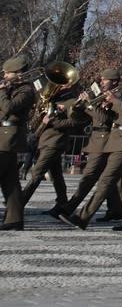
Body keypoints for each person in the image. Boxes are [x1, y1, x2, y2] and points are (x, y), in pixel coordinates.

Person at [64, 62, 122, 231]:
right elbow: (113, 116)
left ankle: (82, 217)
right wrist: (104, 106)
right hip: (118, 139)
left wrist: (115, 101)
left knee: (106, 180)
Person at [65, 70, 122, 222]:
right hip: (96, 138)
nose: (102, 82)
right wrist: (79, 106)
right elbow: (83, 117)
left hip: (105, 139)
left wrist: (89, 104)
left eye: (105, 80)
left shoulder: (117, 97)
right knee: (106, 178)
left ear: (114, 81)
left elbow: (104, 118)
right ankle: (116, 209)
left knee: (89, 176)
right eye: (101, 79)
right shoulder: (101, 96)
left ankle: (68, 208)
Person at [20, 82, 81, 218]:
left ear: (70, 85)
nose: (58, 85)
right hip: (45, 141)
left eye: (63, 84)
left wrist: (53, 122)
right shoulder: (51, 99)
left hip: (55, 142)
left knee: (37, 173)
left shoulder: (72, 101)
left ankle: (17, 206)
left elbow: (74, 122)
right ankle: (62, 204)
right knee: (56, 175)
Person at [0, 56, 37, 230]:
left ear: (18, 73)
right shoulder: (11, 88)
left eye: (8, 73)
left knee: (8, 177)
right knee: (10, 181)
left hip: (10, 136)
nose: (5, 76)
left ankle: (14, 218)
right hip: (4, 134)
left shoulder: (27, 90)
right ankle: (14, 219)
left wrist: (1, 92)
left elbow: (9, 108)